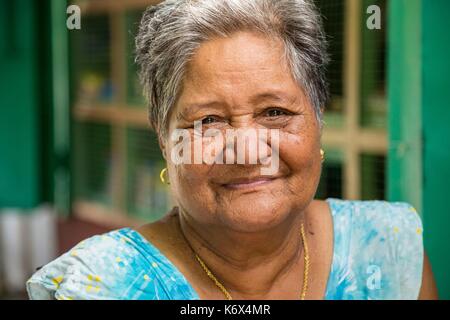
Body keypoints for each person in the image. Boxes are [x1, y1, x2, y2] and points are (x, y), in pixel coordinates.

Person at [27, 0, 437, 300]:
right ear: (164, 139)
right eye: (209, 121)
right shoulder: (101, 286)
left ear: (318, 121)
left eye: (275, 112)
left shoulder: (388, 249)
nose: (247, 150)